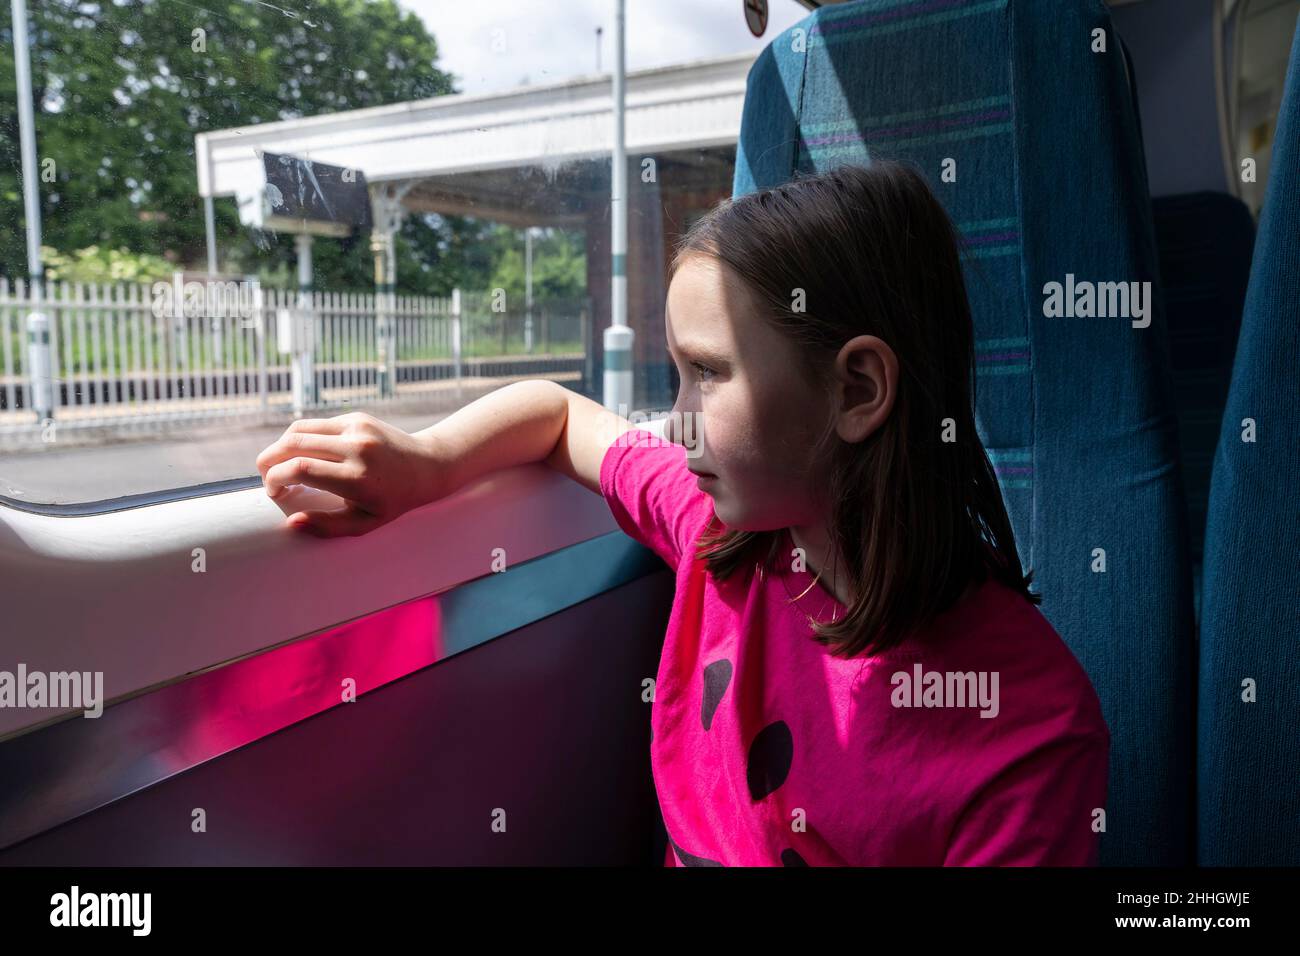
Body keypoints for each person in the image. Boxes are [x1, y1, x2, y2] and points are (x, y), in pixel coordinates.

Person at [256, 161, 1110, 866]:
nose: (679, 417)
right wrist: (428, 462)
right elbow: (558, 415)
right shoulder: (723, 534)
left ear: (857, 389)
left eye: (708, 372)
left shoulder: (1024, 731)